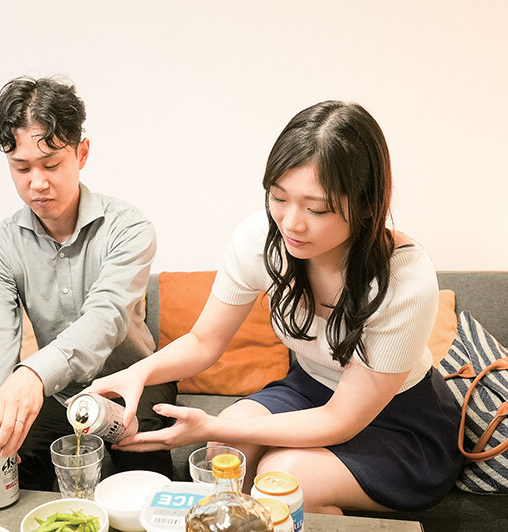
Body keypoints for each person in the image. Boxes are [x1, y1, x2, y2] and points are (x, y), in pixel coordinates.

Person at [85, 101, 463, 514]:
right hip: (310, 389)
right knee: (225, 449)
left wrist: (211, 423)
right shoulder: (261, 240)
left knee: (284, 476)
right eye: (279, 197)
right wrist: (136, 373)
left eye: (317, 208)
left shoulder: (403, 279)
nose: (291, 223)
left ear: (366, 204)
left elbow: (341, 419)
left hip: (399, 420)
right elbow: (205, 340)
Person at [0, 76, 176, 503]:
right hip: (59, 393)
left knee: (143, 487)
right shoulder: (0, 248)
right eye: (21, 168)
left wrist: (32, 373)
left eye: (51, 164)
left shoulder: (128, 227)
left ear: (82, 153)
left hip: (133, 382)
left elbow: (106, 318)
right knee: (6, 469)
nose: (37, 183)